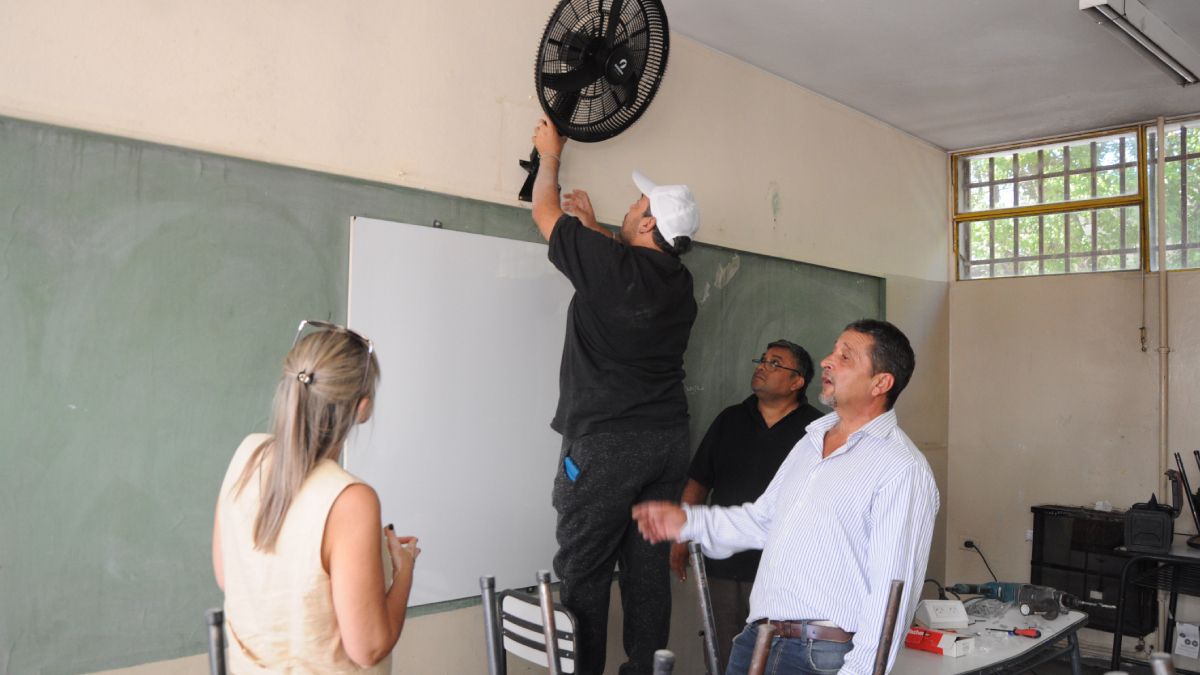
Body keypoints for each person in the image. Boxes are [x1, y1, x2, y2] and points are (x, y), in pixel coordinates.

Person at [633, 319, 938, 675]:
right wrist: (689, 521)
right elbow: (762, 520)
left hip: (822, 655)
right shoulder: (810, 442)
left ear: (880, 383)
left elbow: (892, 597)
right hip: (757, 640)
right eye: (833, 350)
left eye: (845, 356)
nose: (827, 361)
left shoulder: (901, 468)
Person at [529, 116, 700, 675]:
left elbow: (543, 213)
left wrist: (549, 155)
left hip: (605, 446)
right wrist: (597, 231)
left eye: (634, 205)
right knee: (646, 573)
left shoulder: (611, 265)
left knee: (585, 571)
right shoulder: (680, 284)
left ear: (648, 221)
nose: (628, 209)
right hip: (667, 444)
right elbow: (629, 272)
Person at [211, 320, 419, 673]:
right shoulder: (351, 499)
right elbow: (368, 649)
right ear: (362, 408)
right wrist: (404, 571)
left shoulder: (248, 454)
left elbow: (228, 576)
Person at [670, 339, 823, 670]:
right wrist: (681, 537)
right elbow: (698, 483)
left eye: (775, 363)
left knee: (777, 658)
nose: (762, 367)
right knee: (724, 654)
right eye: (762, 360)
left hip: (784, 571)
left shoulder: (817, 430)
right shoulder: (730, 420)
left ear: (798, 381)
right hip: (724, 565)